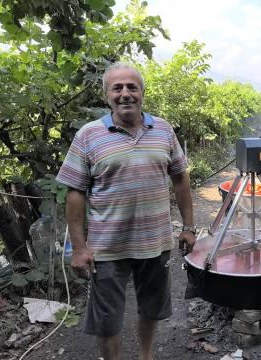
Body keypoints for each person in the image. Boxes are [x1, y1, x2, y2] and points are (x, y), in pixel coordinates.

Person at [56, 63, 196, 360]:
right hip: (107, 248)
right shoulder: (88, 135)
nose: (125, 94)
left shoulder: (163, 129)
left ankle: (145, 356)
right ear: (107, 95)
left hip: (155, 242)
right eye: (117, 88)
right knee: (107, 321)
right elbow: (75, 193)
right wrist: (79, 248)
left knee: (151, 308)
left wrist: (189, 227)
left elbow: (181, 178)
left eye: (132, 87)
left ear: (142, 93)